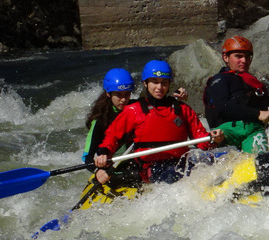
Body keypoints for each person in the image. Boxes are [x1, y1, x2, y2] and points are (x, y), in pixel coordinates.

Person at [93, 59, 224, 185]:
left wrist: (213, 139)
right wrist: (103, 154)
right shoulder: (133, 110)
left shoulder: (182, 109)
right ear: (145, 83)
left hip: (181, 161)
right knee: (176, 174)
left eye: (164, 83)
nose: (159, 87)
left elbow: (201, 139)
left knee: (226, 156)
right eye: (154, 82)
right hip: (152, 167)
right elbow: (112, 137)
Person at [203, 35, 269, 153]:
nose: (244, 60)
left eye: (247, 57)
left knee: (259, 162)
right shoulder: (219, 79)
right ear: (226, 57)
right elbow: (223, 106)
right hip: (226, 131)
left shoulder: (255, 84)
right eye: (238, 56)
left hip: (254, 130)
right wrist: (257, 113)